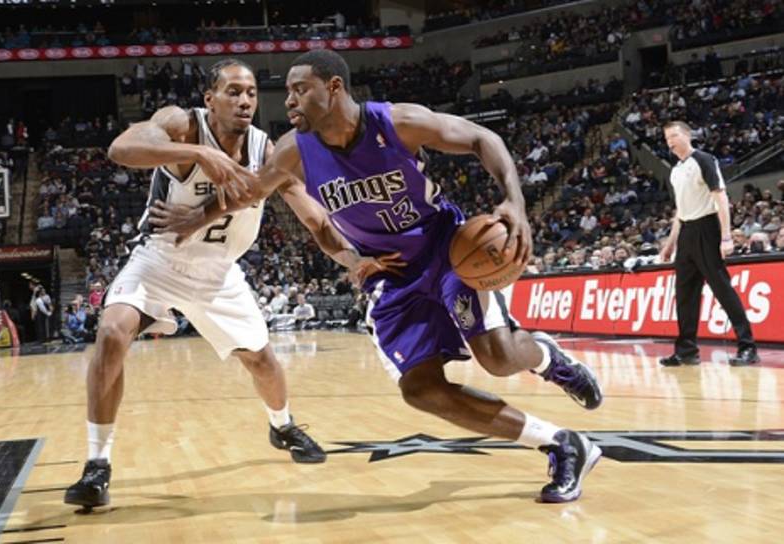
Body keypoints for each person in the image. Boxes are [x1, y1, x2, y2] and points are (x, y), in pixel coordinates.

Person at [203, 50, 604, 503]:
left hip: (446, 249)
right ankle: (563, 443)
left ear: (334, 87)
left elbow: (481, 137)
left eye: (300, 89)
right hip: (389, 273)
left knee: (498, 357)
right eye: (288, 93)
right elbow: (250, 193)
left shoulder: (397, 122)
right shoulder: (294, 149)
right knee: (420, 390)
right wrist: (190, 212)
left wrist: (514, 200)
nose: (289, 101)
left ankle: (547, 357)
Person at [64, 59, 338, 510]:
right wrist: (199, 153)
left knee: (264, 363)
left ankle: (282, 425)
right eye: (233, 91)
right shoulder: (182, 124)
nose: (245, 100)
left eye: (251, 92)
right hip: (160, 260)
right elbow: (121, 148)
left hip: (219, 272)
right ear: (210, 99)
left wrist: (353, 256)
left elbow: (315, 218)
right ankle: (97, 464)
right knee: (111, 333)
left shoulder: (266, 150)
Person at [658, 121, 759, 367]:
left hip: (707, 228)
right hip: (686, 233)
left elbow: (720, 197)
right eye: (667, 138)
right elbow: (680, 211)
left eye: (674, 135)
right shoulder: (675, 171)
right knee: (684, 294)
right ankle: (686, 350)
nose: (670, 142)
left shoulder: (704, 160)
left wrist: (726, 236)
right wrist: (670, 244)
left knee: (722, 289)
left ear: (687, 135)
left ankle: (747, 347)